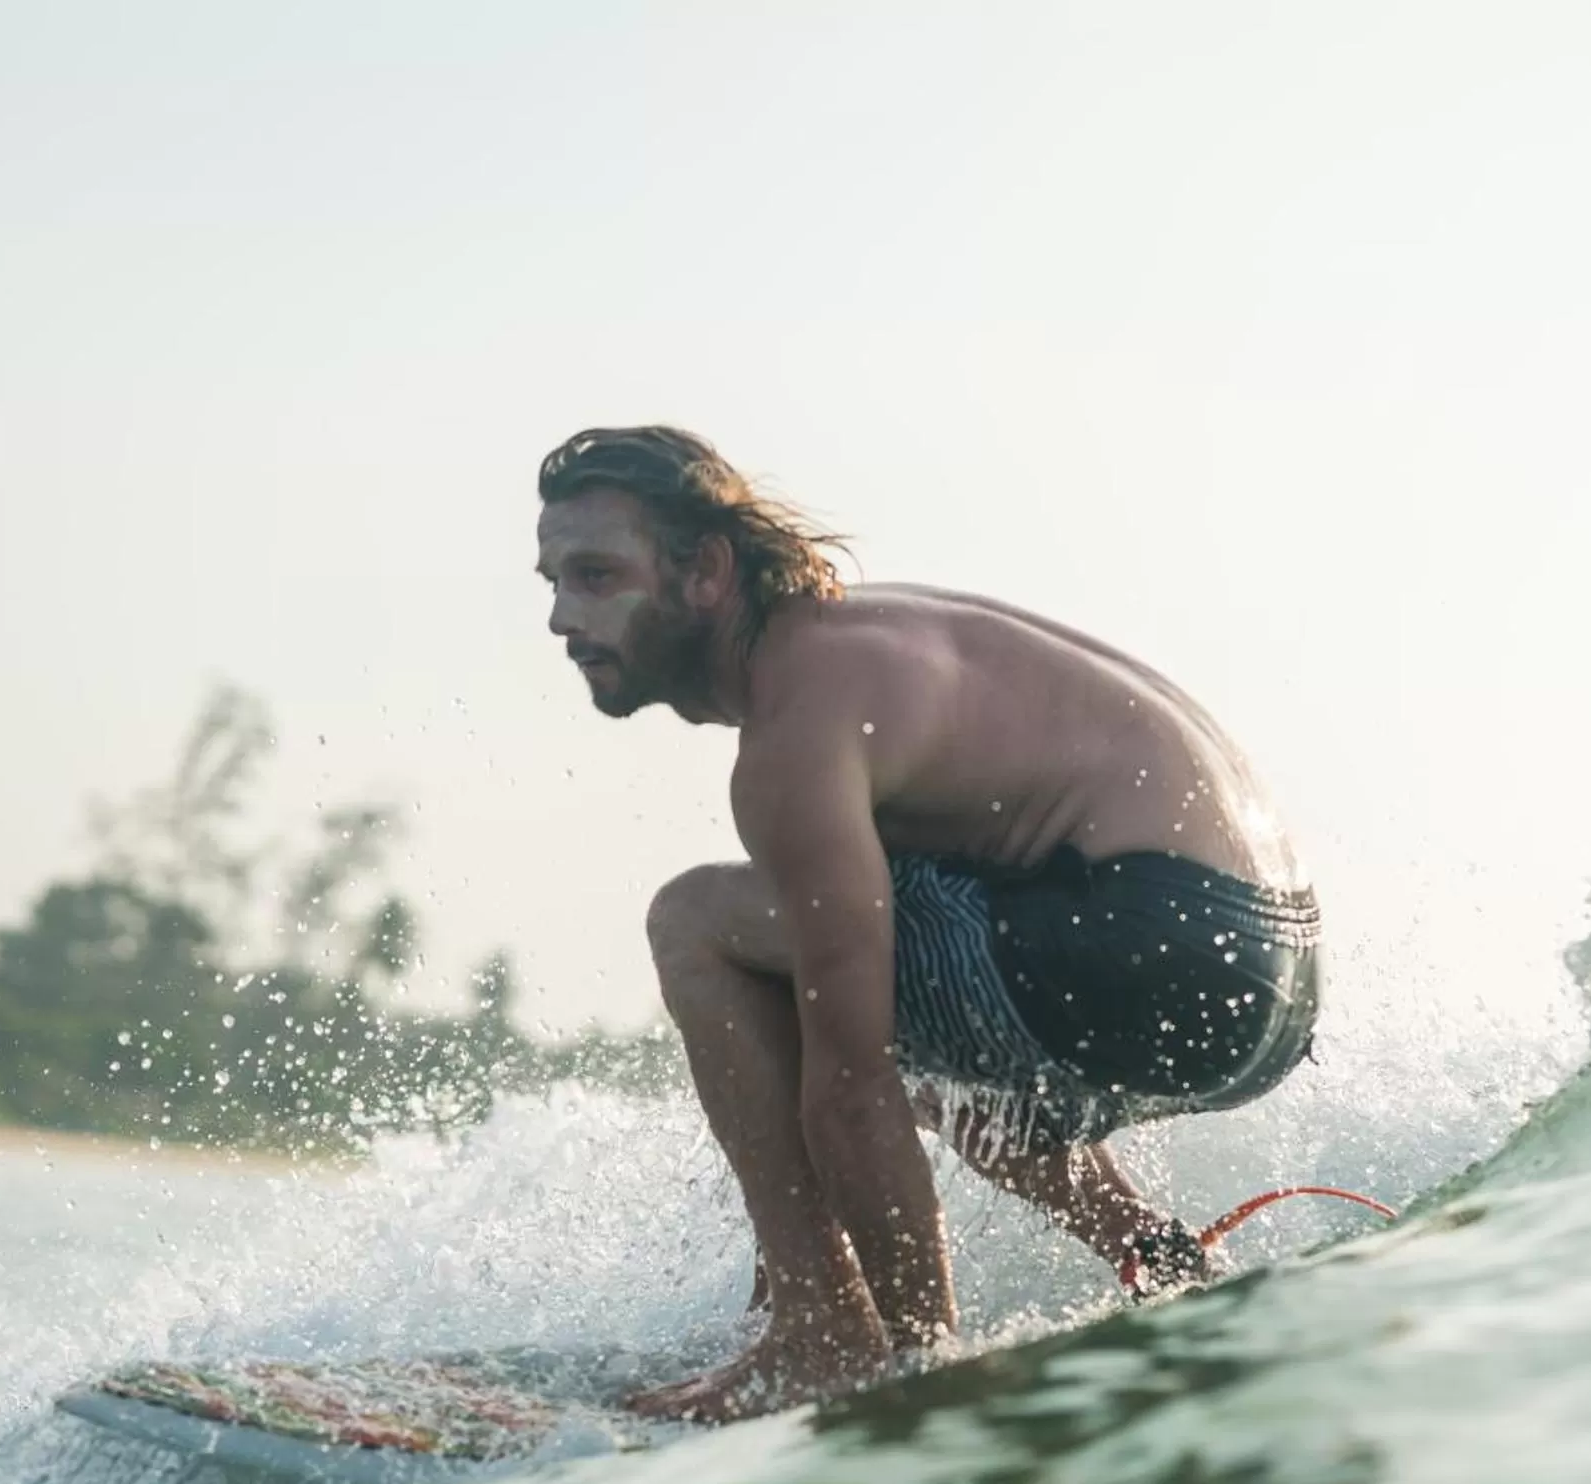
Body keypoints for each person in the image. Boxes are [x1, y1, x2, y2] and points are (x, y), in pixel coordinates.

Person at [533, 426, 1320, 1421]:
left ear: (705, 572)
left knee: (701, 923)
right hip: (1260, 982)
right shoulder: (860, 645)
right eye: (553, 581)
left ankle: (825, 1336)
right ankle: (1151, 1252)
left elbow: (849, 1088)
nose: (562, 616)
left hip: (1153, 946)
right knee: (853, 988)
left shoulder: (799, 723)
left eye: (597, 575)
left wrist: (915, 1378)